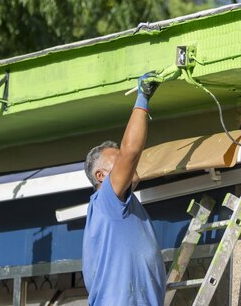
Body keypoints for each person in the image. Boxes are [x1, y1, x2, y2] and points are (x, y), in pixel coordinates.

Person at [82, 73, 167, 306]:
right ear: (101, 176)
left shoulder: (127, 207)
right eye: (116, 160)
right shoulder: (106, 201)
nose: (125, 163)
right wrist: (142, 98)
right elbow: (131, 151)